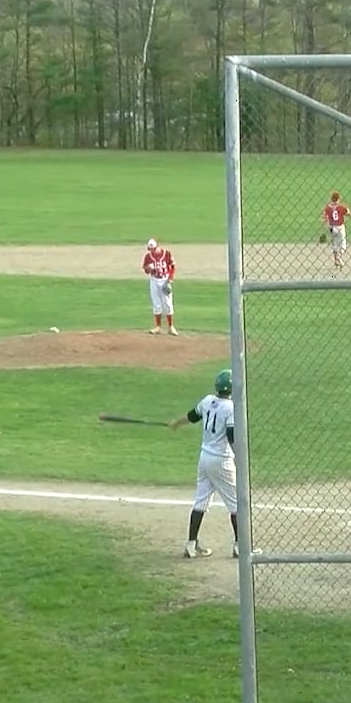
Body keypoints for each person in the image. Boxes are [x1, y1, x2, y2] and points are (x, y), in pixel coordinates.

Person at [169, 368, 240, 559]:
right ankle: (240, 546)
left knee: (201, 501)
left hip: (204, 459)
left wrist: (177, 422)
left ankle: (191, 545)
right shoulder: (232, 408)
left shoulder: (207, 401)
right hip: (222, 461)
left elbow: (192, 417)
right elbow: (232, 437)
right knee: (237, 504)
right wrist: (239, 460)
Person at [142, 238, 177, 335]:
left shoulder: (166, 253)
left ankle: (171, 327)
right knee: (156, 304)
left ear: (157, 247)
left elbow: (173, 266)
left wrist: (170, 279)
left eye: (152, 249)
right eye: (150, 249)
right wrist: (149, 269)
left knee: (168, 304)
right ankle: (157, 327)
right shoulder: (148, 256)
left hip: (164, 280)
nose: (151, 251)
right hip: (154, 281)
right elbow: (145, 269)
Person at [321, 191, 351, 271]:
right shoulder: (341, 207)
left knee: (335, 244)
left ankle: (336, 260)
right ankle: (339, 257)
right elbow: (348, 214)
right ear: (338, 199)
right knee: (343, 244)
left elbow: (325, 217)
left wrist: (325, 225)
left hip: (332, 227)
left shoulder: (328, 207)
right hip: (340, 227)